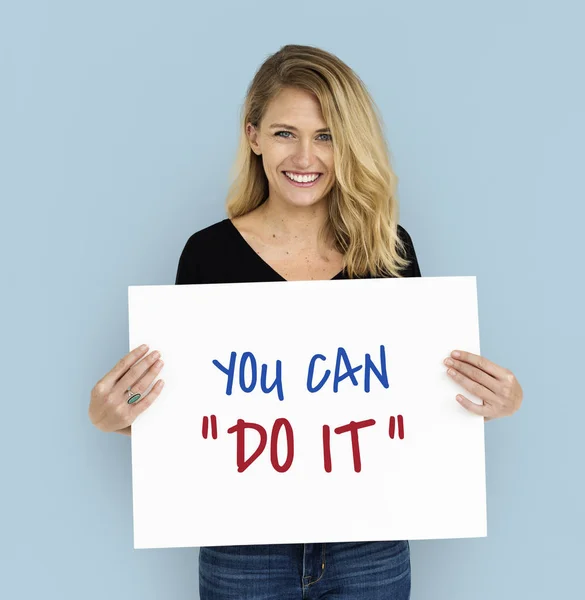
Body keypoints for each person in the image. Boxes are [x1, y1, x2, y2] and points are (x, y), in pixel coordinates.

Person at [89, 44, 523, 600]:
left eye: (326, 136)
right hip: (244, 548)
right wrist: (117, 417)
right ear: (253, 137)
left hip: (370, 546)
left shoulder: (388, 253)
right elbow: (190, 417)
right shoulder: (207, 256)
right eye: (284, 133)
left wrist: (496, 403)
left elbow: (414, 409)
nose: (305, 156)